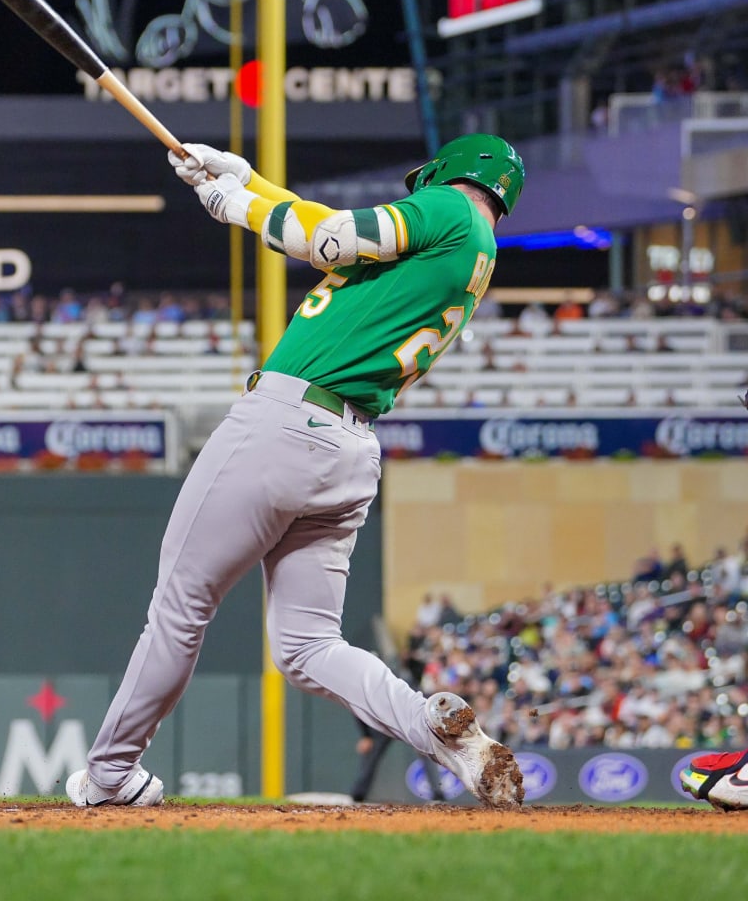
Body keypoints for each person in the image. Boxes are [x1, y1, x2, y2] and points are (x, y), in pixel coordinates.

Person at [66, 133, 527, 810]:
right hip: (349, 448)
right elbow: (330, 233)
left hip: (283, 425)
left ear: (451, 173)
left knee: (180, 608)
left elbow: (331, 239)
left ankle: (110, 774)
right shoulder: (472, 247)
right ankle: (432, 728)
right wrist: (248, 181)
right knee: (308, 646)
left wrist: (241, 210)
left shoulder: (446, 212)